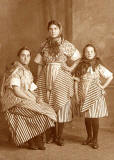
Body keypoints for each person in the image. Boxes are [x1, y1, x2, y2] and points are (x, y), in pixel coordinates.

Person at [34, 20, 81, 146]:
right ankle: (50, 134)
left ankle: (59, 136)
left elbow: (78, 58)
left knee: (61, 104)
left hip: (61, 76)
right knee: (47, 105)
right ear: (48, 30)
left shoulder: (66, 44)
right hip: (46, 76)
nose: (53, 31)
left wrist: (70, 69)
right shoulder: (44, 44)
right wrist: (38, 80)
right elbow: (39, 63)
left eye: (55, 28)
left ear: (60, 30)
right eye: (50, 29)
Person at [0, 47, 57, 150]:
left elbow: (31, 87)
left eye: (28, 55)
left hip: (24, 96)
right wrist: (30, 99)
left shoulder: (27, 71)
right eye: (23, 55)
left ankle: (36, 139)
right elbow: (17, 91)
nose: (26, 58)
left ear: (30, 57)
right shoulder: (15, 70)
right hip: (14, 101)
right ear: (19, 57)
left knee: (47, 109)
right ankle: (33, 140)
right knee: (39, 112)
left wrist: (37, 97)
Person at [74, 44, 113, 149]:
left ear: (94, 53)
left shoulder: (98, 65)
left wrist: (103, 86)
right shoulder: (80, 65)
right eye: (87, 51)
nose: (89, 53)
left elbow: (110, 76)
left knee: (94, 117)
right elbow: (76, 82)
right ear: (84, 53)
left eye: (91, 51)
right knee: (87, 117)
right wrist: (77, 96)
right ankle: (89, 137)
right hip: (83, 94)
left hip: (95, 94)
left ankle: (95, 139)